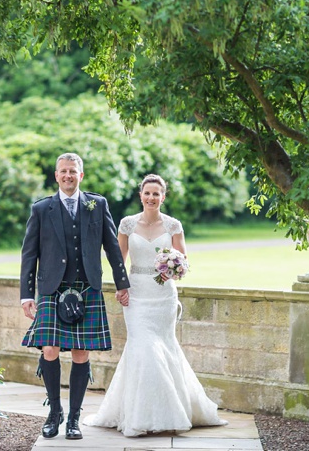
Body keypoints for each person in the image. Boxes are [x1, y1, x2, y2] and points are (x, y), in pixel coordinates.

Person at [83, 174, 227, 436]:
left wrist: (171, 269)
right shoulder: (127, 224)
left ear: (163, 196)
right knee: (142, 349)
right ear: (141, 195)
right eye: (147, 193)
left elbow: (183, 260)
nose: (151, 198)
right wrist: (120, 287)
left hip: (163, 297)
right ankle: (139, 415)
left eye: (156, 193)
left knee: (163, 348)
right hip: (136, 295)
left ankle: (171, 410)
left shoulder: (173, 225)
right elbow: (119, 261)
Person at [20, 152, 130, 440]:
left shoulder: (98, 204)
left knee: (82, 352)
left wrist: (122, 283)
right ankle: (54, 411)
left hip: (87, 286)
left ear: (81, 175)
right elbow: (29, 253)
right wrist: (25, 295)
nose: (68, 175)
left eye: (73, 171)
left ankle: (74, 418)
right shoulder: (42, 208)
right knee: (49, 350)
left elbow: (112, 247)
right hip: (51, 288)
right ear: (56, 176)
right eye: (63, 171)